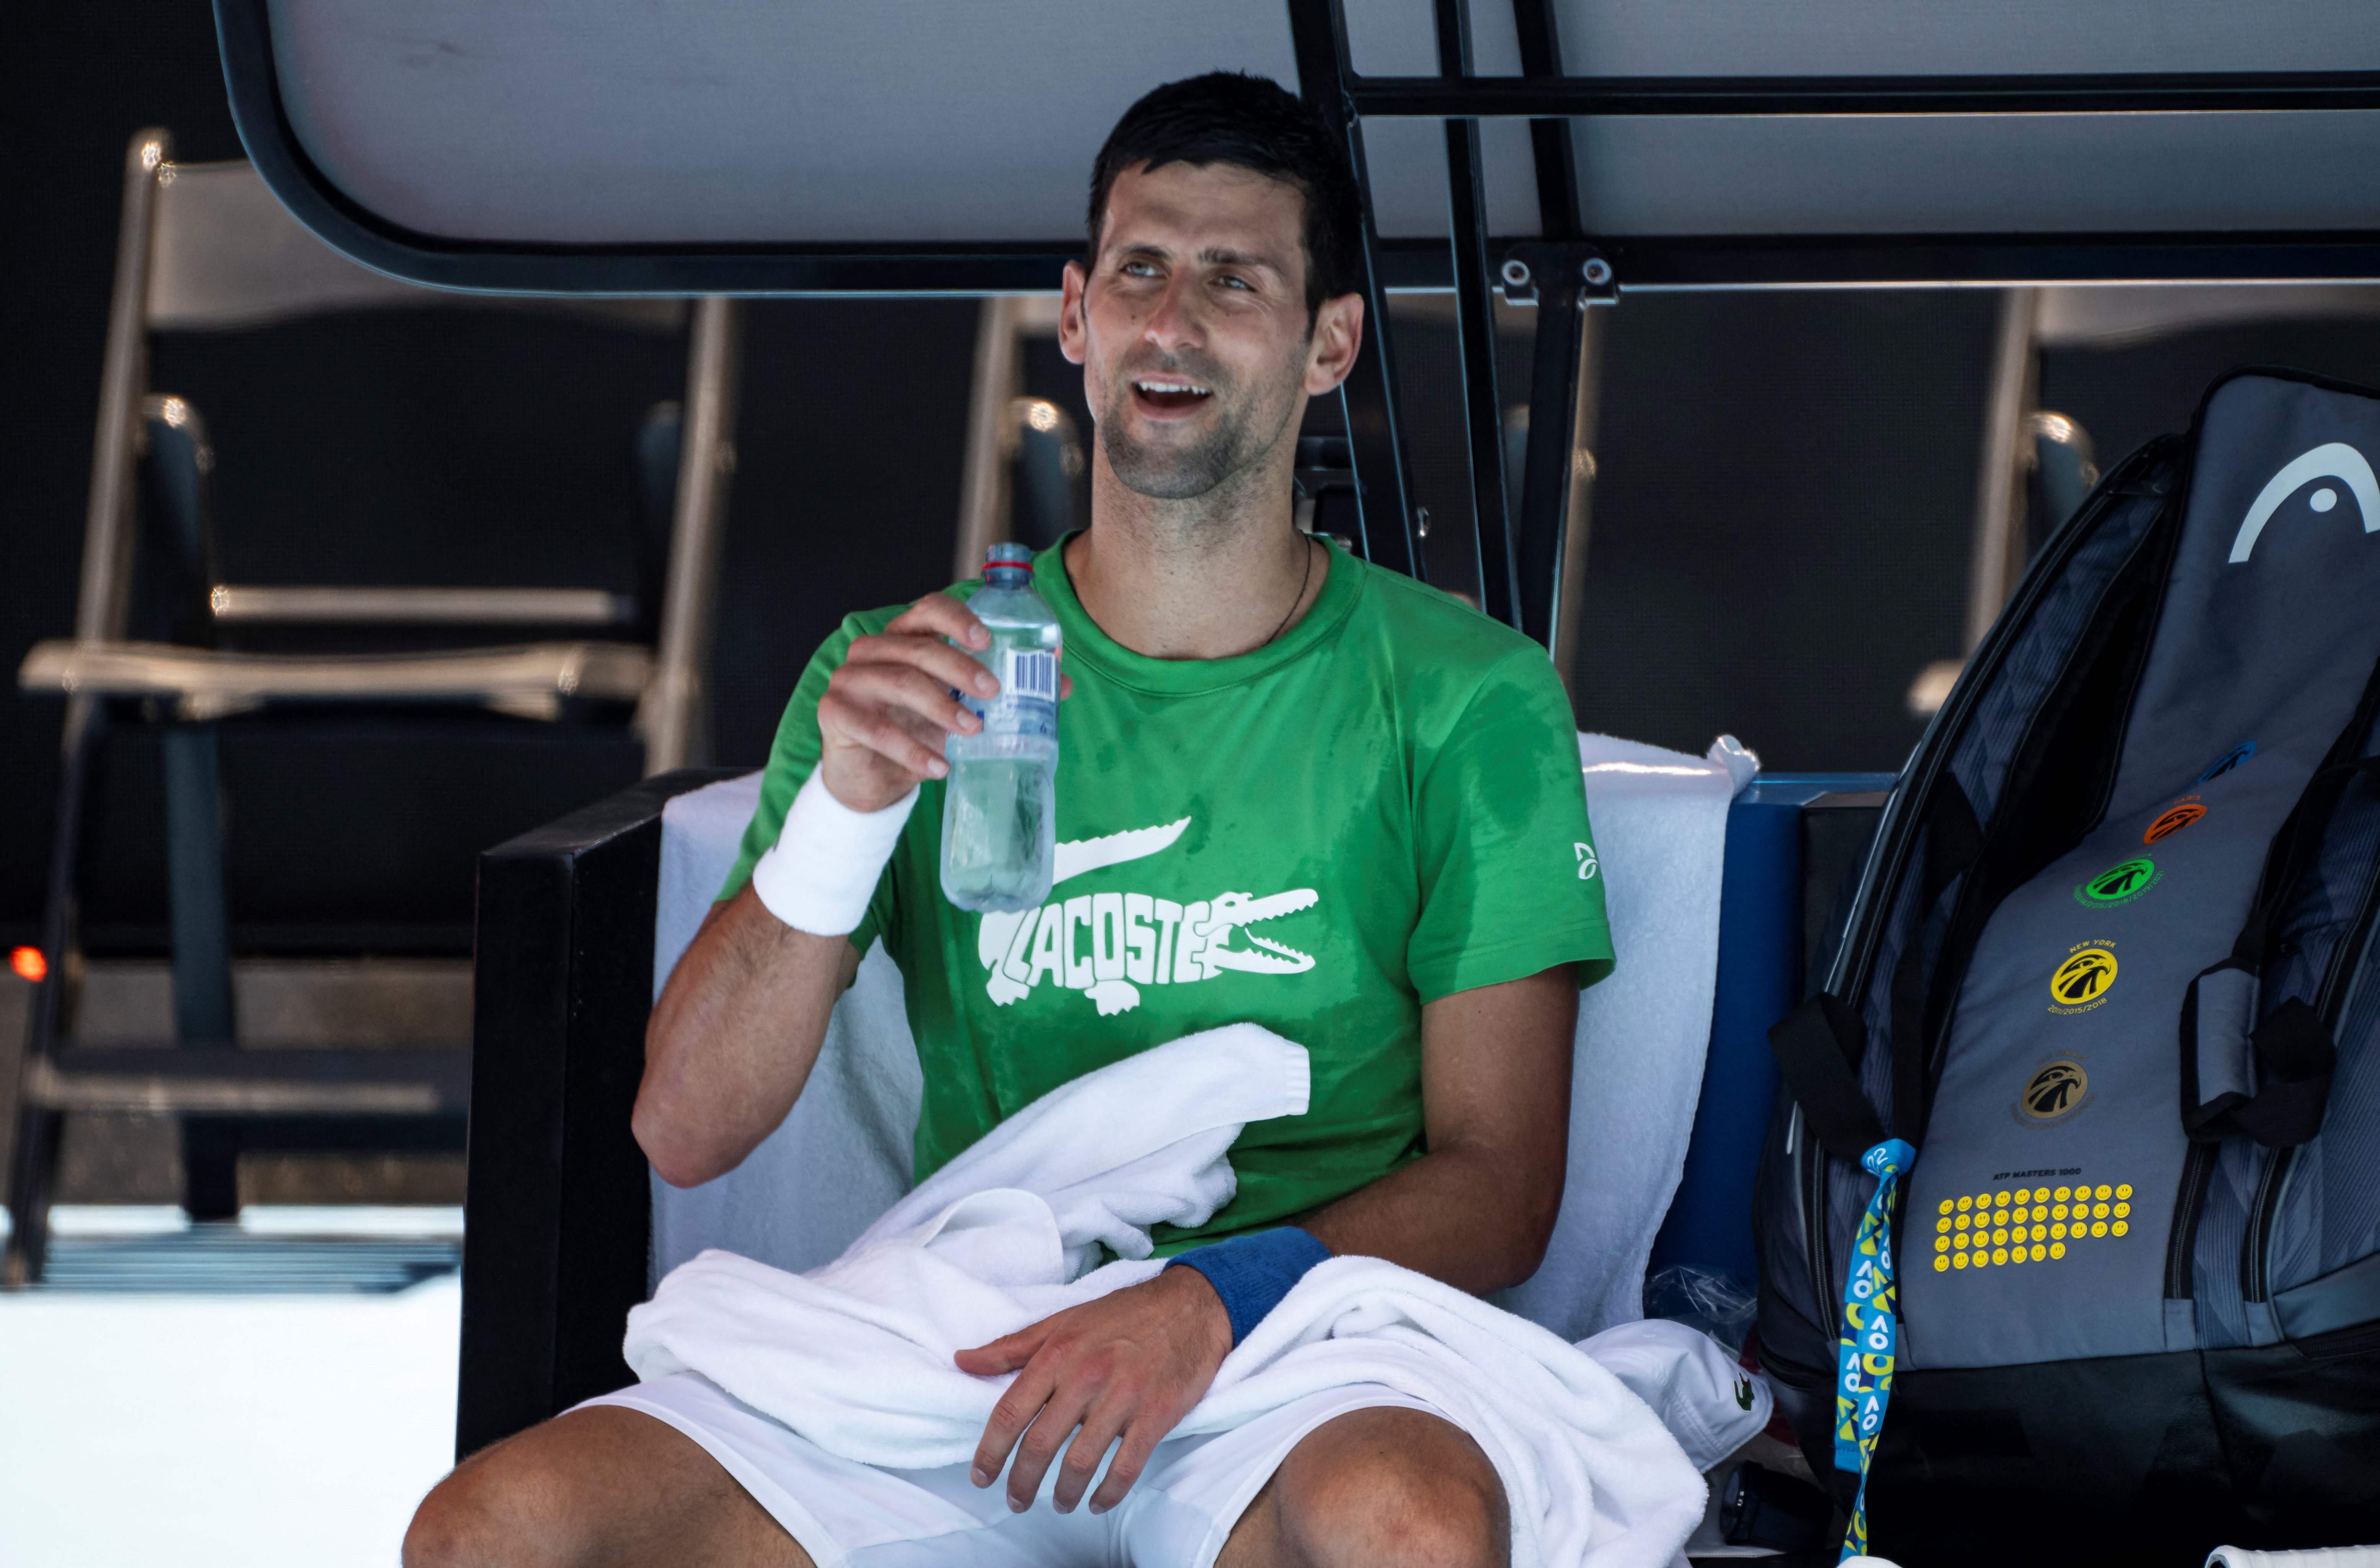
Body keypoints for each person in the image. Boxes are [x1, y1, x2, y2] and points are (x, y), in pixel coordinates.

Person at [407, 71, 1612, 1568]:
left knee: (1409, 1532)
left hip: (1303, 1342)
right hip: (974, 1343)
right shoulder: (905, 670)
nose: (1172, 322)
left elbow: (1503, 1186)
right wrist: (846, 809)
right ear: (1075, 315)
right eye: (1139, 270)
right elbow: (686, 1128)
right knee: (491, 1535)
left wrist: (1207, 1301)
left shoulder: (1468, 696)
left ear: (1331, 344)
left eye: (1235, 280)